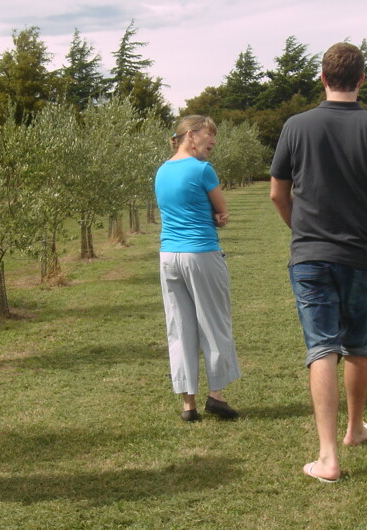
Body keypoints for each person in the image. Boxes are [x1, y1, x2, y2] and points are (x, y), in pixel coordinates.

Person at [270, 42, 367, 482]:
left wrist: (301, 230)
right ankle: (355, 429)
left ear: (322, 77)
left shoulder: (296, 126)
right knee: (357, 345)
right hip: (364, 255)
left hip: (311, 255)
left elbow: (278, 192)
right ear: (362, 79)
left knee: (322, 348)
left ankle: (328, 456)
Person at [154, 115, 241, 422]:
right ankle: (216, 395)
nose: (213, 141)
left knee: (179, 328)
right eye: (209, 135)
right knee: (214, 322)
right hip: (201, 252)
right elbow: (221, 209)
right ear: (190, 135)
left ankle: (188, 404)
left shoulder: (162, 171)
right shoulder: (202, 169)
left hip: (169, 255)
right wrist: (221, 217)